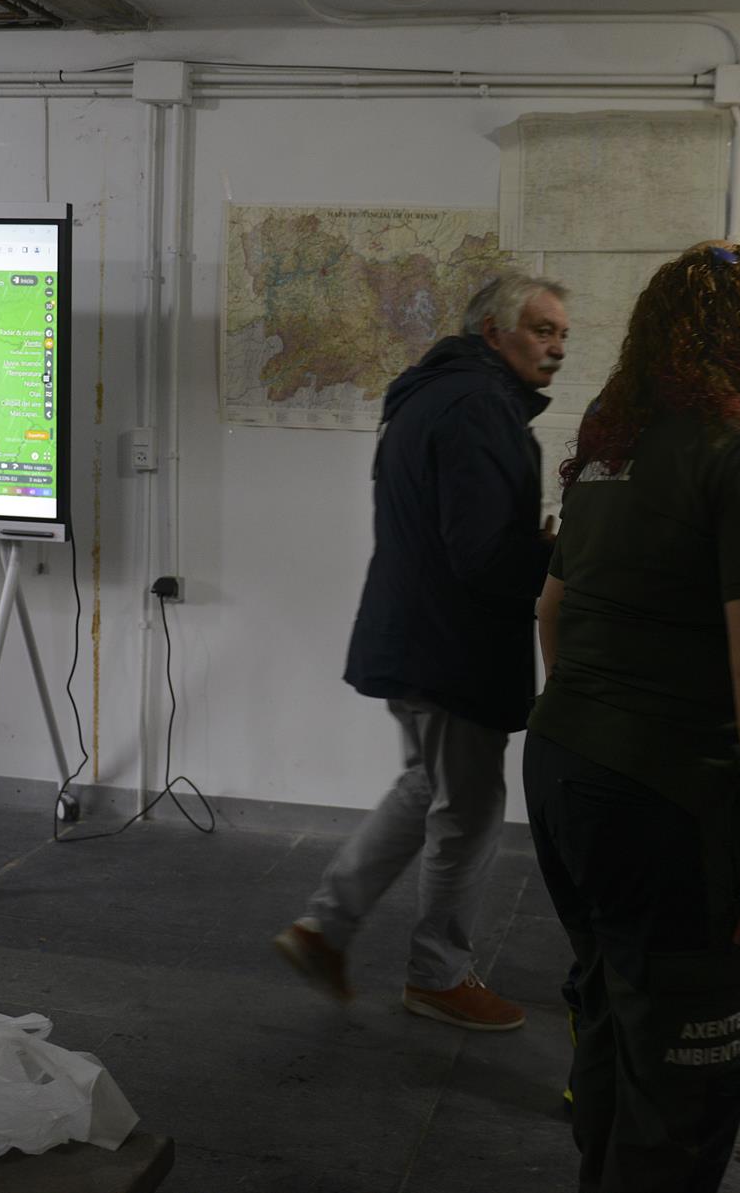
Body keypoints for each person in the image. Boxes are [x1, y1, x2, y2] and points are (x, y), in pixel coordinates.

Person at [525, 242, 740, 1191]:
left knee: (614, 1004)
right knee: (688, 1072)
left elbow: (553, 611)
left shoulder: (613, 438)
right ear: (739, 335)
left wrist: (597, 720)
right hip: (674, 800)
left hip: (566, 766)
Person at [274, 272, 569, 1031]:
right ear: (493, 333)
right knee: (468, 809)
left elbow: (455, 530)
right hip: (452, 645)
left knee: (426, 784)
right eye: (541, 329)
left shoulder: (435, 394)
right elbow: (476, 552)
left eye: (562, 333)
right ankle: (437, 975)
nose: (557, 346)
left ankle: (323, 927)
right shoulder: (478, 408)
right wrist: (552, 556)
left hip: (416, 634)